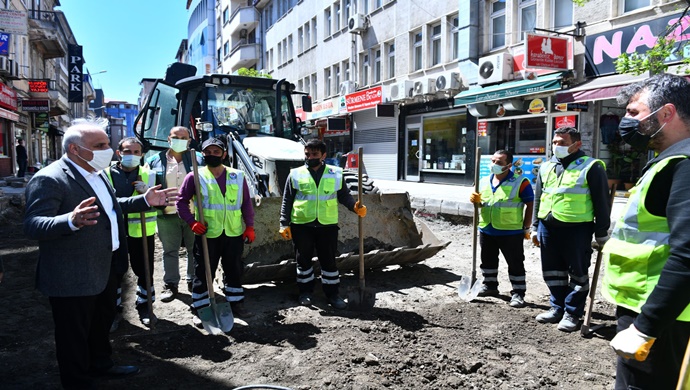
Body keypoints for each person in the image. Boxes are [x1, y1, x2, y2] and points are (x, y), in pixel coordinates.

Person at [23, 118, 178, 389]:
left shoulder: (95, 174)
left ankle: (101, 363)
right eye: (100, 145)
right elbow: (33, 224)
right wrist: (70, 220)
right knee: (74, 334)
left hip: (105, 266)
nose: (108, 149)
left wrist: (144, 201)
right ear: (75, 149)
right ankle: (77, 381)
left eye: (107, 143)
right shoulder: (50, 178)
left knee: (100, 323)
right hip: (72, 274)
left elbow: (111, 206)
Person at [602, 73, 690, 390]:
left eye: (634, 112)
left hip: (661, 315)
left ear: (666, 114)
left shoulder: (683, 163)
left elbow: (688, 253)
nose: (625, 122)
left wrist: (645, 328)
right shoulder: (667, 162)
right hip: (662, 310)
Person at [530, 126, 611, 332]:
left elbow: (601, 202)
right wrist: (535, 226)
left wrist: (602, 232)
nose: (557, 146)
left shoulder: (591, 167)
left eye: (562, 143)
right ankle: (557, 307)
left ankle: (573, 313)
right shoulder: (547, 167)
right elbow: (539, 197)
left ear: (577, 144)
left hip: (577, 229)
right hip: (548, 226)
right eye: (555, 143)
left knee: (578, 273)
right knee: (552, 271)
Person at [279, 139, 367, 309]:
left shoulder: (335, 173)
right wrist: (284, 223)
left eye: (314, 154)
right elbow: (287, 200)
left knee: (329, 262)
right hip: (301, 225)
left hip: (327, 226)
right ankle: (305, 293)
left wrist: (354, 207)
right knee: (303, 261)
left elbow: (344, 195)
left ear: (323, 155)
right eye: (307, 154)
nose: (310, 157)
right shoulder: (295, 174)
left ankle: (333, 295)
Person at [176, 137, 255, 323]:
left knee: (234, 269)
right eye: (208, 152)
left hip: (233, 232)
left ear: (224, 154)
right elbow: (181, 201)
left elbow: (246, 203)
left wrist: (250, 226)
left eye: (216, 152)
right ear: (203, 154)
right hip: (207, 234)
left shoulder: (238, 175)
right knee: (203, 271)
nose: (212, 155)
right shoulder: (195, 175)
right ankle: (201, 307)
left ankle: (236, 303)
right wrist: (191, 222)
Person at [469, 150, 534, 308]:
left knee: (515, 262)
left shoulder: (521, 182)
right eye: (493, 161)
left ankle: (518, 293)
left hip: (510, 231)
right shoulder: (483, 181)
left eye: (499, 162)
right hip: (487, 228)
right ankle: (490, 286)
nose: (494, 165)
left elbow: (530, 204)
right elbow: (485, 203)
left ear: (509, 165)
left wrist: (526, 227)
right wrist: (475, 201)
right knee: (488, 260)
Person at [146, 126, 204, 302]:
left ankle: (193, 281)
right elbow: (148, 182)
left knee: (194, 249)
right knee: (169, 250)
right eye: (175, 136)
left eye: (183, 137)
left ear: (189, 140)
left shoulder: (198, 158)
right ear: (168, 139)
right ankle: (171, 284)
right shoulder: (154, 160)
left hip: (192, 213)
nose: (179, 140)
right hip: (167, 213)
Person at [106, 137, 158, 328]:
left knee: (145, 270)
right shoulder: (105, 174)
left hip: (141, 232)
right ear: (118, 153)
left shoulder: (149, 174)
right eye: (127, 151)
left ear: (142, 154)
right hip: (113, 231)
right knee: (114, 271)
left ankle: (145, 305)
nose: (132, 155)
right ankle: (114, 309)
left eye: (136, 152)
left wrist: (148, 192)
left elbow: (159, 203)